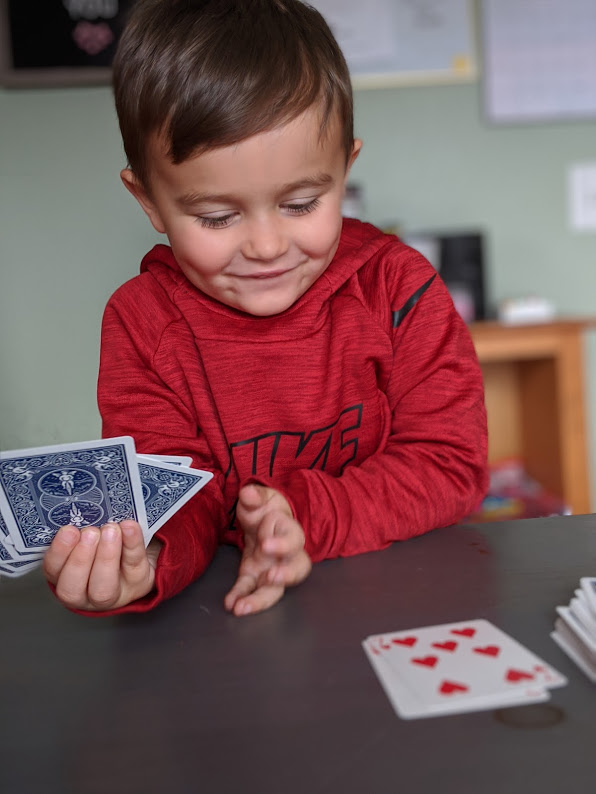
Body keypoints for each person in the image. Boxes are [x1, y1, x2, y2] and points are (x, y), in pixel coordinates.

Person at [43, 0, 488, 617]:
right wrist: (146, 561)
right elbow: (175, 500)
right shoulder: (143, 325)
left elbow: (451, 464)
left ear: (344, 170)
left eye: (301, 204)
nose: (267, 246)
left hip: (396, 599)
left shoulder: (396, 288)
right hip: (229, 622)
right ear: (148, 201)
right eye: (216, 216)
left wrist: (303, 515)